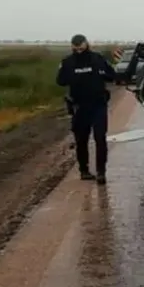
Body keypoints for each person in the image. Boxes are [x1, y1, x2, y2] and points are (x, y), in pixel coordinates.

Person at [56, 34, 115, 184]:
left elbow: (111, 75)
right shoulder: (67, 62)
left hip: (98, 105)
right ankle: (84, 170)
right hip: (79, 107)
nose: (78, 50)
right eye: (76, 47)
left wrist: (103, 74)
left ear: (86, 44)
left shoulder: (98, 59)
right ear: (72, 46)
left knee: (100, 138)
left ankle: (101, 172)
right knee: (81, 140)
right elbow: (60, 81)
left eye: (81, 47)